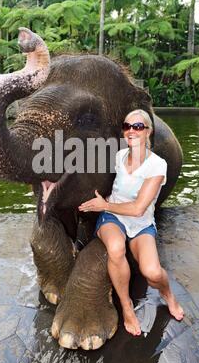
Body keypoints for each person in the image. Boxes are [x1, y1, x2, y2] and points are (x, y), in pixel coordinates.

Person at [78, 109, 184, 336]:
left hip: (140, 221)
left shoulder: (157, 165)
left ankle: (168, 295)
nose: (131, 131)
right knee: (115, 248)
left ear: (148, 132)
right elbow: (114, 190)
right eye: (127, 126)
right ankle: (126, 307)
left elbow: (138, 209)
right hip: (113, 218)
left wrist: (103, 205)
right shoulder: (119, 156)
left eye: (137, 127)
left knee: (152, 272)